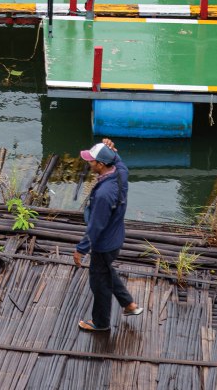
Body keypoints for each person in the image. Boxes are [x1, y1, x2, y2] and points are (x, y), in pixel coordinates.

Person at [73, 138, 143, 332]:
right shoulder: (120, 173)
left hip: (104, 244)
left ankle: (101, 323)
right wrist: (110, 149)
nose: (89, 163)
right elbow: (118, 161)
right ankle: (129, 304)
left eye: (92, 161)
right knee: (106, 271)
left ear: (101, 165)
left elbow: (96, 226)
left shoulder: (104, 194)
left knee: (99, 283)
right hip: (116, 236)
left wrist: (81, 250)